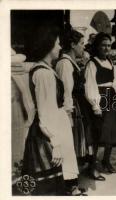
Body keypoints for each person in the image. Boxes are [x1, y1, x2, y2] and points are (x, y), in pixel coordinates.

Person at [22, 26, 85, 195]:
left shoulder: (47, 69)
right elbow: (44, 111)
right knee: (48, 180)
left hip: (56, 123)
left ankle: (67, 189)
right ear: (47, 46)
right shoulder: (43, 74)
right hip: (49, 128)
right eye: (57, 44)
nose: (59, 47)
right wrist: (55, 142)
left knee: (60, 173)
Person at [84, 32, 116, 178]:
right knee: (98, 134)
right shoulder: (92, 63)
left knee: (112, 132)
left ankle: (106, 161)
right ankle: (92, 166)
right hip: (100, 99)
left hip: (111, 97)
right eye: (103, 45)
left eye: (109, 45)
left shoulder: (109, 61)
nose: (107, 48)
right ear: (97, 46)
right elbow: (90, 86)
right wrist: (95, 106)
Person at [56, 29, 87, 160]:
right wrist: (68, 115)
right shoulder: (65, 64)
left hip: (77, 106)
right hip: (71, 107)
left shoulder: (71, 63)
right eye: (81, 43)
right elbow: (66, 91)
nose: (83, 47)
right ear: (73, 45)